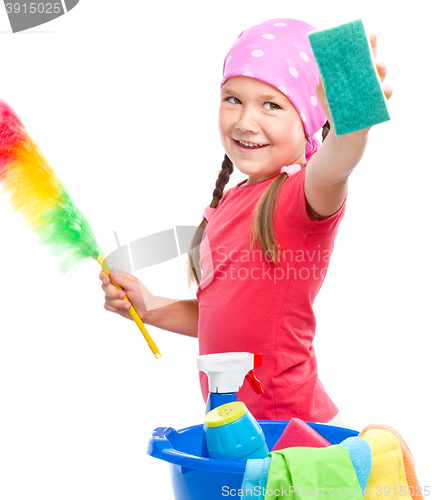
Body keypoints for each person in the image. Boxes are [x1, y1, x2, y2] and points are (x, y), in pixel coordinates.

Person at [99, 19, 392, 426]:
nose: (245, 121)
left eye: (271, 104)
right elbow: (222, 319)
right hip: (236, 426)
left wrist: (350, 125)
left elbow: (336, 163)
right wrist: (150, 307)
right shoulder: (228, 203)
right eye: (233, 99)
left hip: (289, 433)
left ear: (309, 118)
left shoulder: (299, 195)